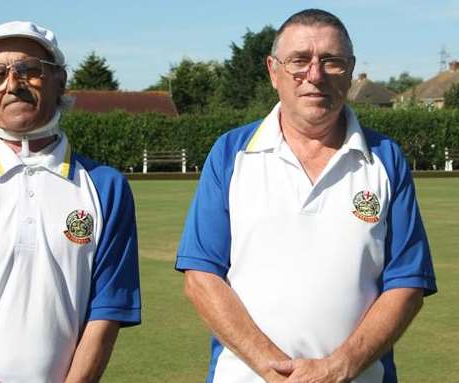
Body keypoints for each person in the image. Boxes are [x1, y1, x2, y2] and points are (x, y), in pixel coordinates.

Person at [176, 9, 436, 383]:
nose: (314, 75)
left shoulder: (386, 158)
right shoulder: (231, 153)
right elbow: (201, 277)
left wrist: (339, 367)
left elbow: (407, 282)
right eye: (299, 61)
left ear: (350, 70)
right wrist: (273, 368)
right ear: (272, 70)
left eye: (331, 62)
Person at [0, 21, 141, 383]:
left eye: (29, 71)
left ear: (59, 81)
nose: (12, 84)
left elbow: (106, 314)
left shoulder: (105, 187)